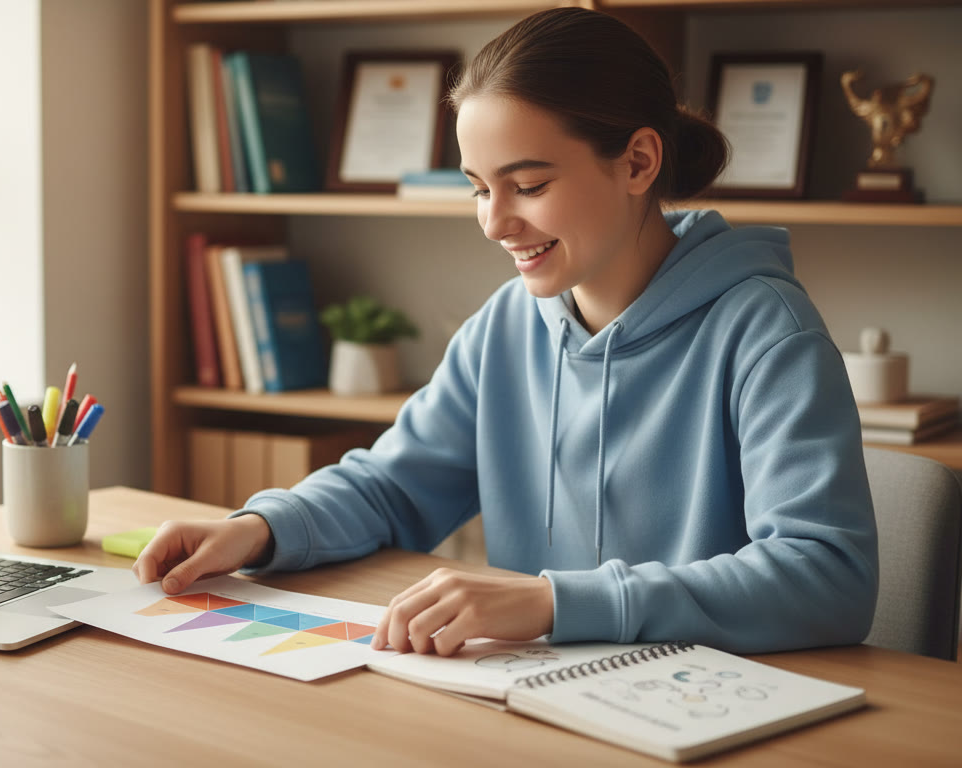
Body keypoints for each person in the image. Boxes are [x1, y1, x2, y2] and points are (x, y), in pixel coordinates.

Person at [135, 7, 877, 657]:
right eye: (480, 189)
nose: (495, 222)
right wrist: (263, 527)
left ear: (638, 162)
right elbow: (394, 486)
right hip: (539, 700)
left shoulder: (764, 331)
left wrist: (556, 603)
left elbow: (827, 576)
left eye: (528, 186)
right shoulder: (507, 325)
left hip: (711, 710)